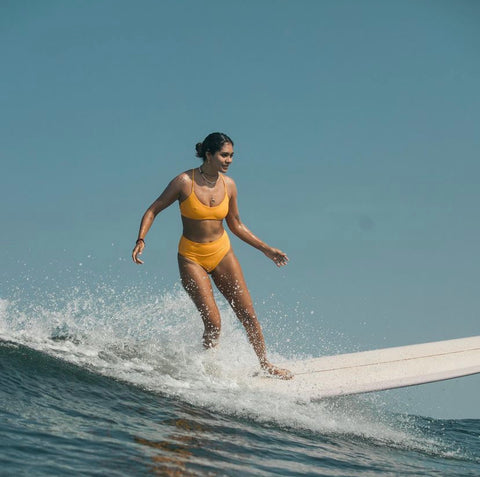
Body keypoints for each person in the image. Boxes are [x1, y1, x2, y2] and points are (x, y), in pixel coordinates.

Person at [132, 132, 292, 379]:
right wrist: (141, 239)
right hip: (191, 257)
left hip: (221, 251)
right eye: (224, 155)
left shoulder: (229, 185)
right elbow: (153, 209)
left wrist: (266, 249)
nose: (229, 160)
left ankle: (265, 365)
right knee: (214, 323)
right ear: (208, 154)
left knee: (248, 315)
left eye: (231, 156)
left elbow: (236, 224)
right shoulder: (184, 181)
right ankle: (206, 372)